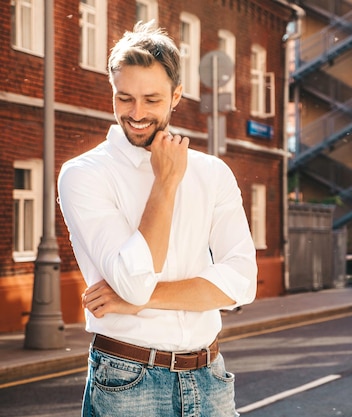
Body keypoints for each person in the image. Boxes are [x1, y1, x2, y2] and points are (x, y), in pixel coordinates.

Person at [57, 22, 257, 417]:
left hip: (211, 378)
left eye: (151, 99)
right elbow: (132, 281)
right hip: (129, 382)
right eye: (124, 98)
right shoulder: (84, 174)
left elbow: (243, 281)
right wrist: (165, 183)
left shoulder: (212, 172)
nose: (136, 114)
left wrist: (142, 301)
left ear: (176, 96)